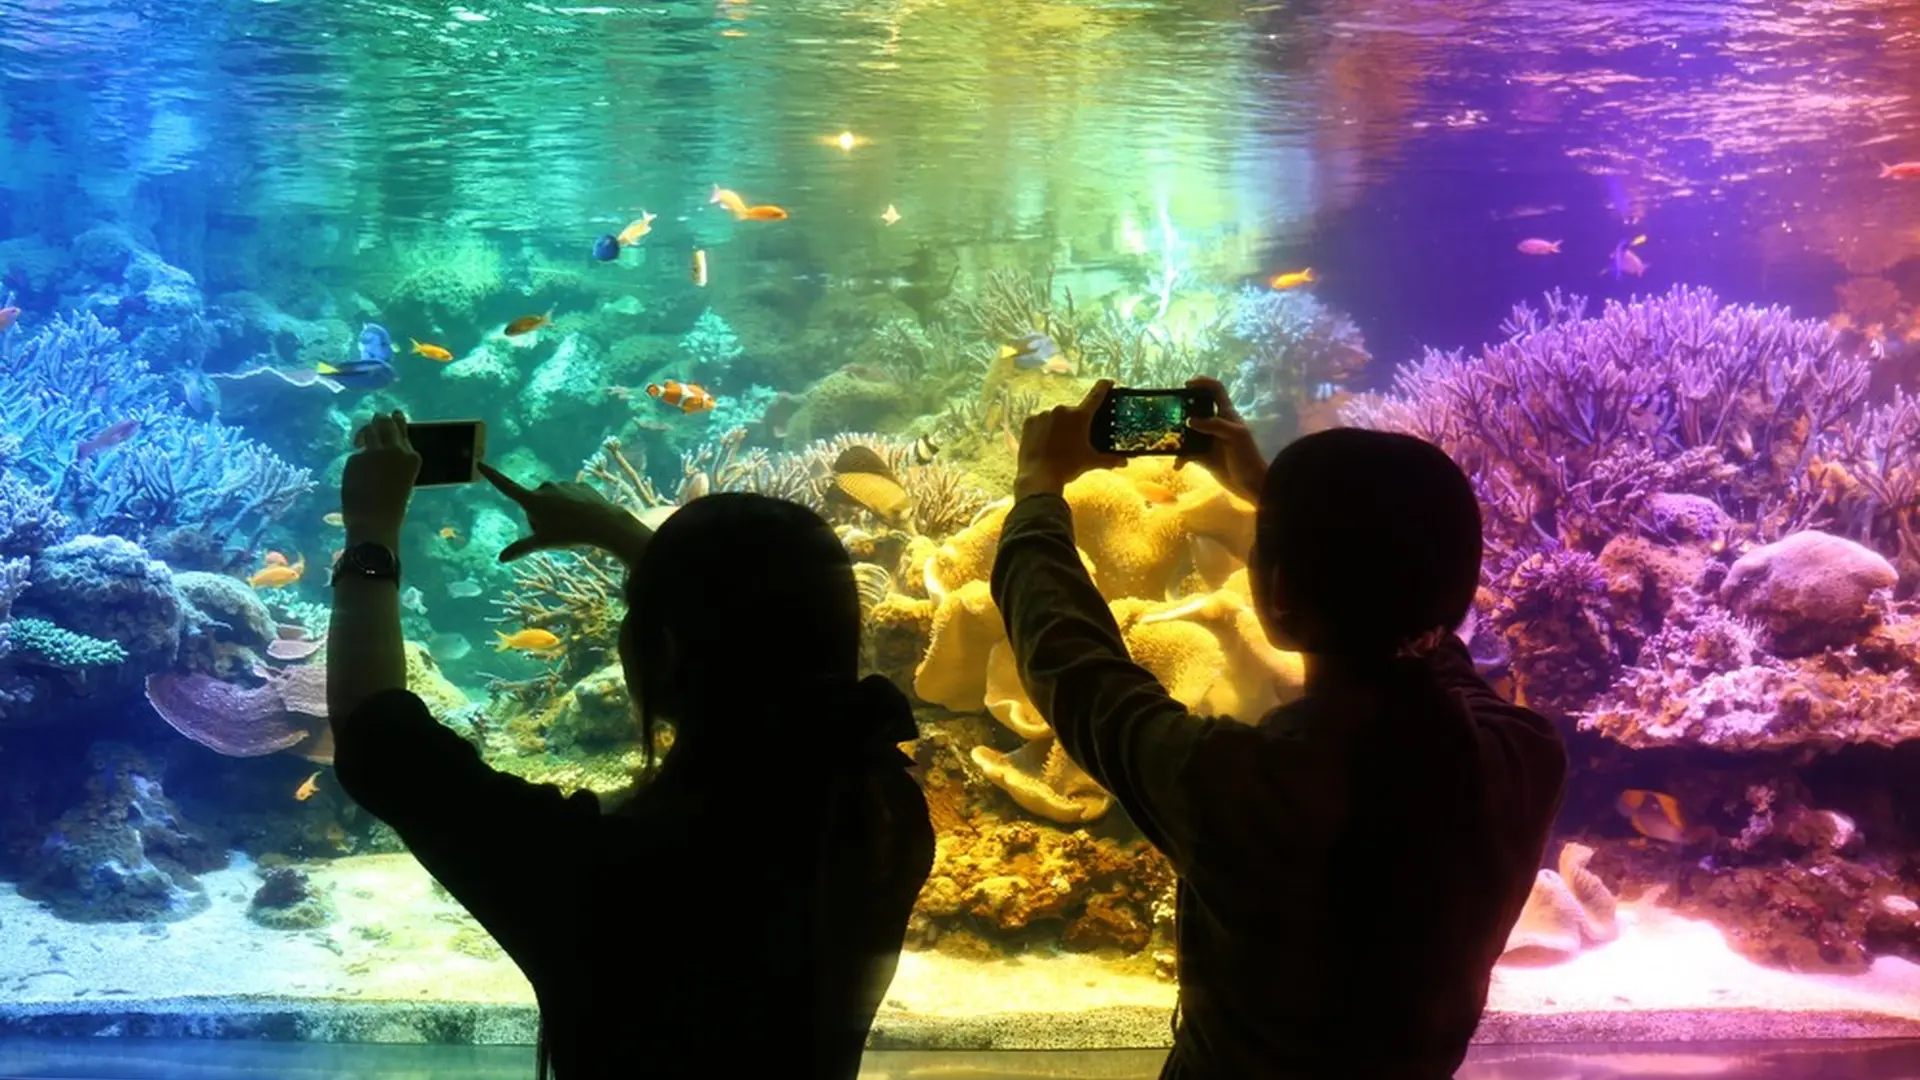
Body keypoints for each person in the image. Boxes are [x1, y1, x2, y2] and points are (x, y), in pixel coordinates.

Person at [325, 411, 935, 1080]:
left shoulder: (604, 871)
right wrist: (619, 534)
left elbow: (374, 734)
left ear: (664, 649)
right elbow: (756, 647)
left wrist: (370, 536)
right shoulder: (882, 806)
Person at [994, 380, 1567, 1079]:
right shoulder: (1524, 759)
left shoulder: (1240, 788)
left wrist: (1036, 492)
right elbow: (1417, 630)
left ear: (1277, 592)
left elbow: (1072, 664)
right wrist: (1280, 501)